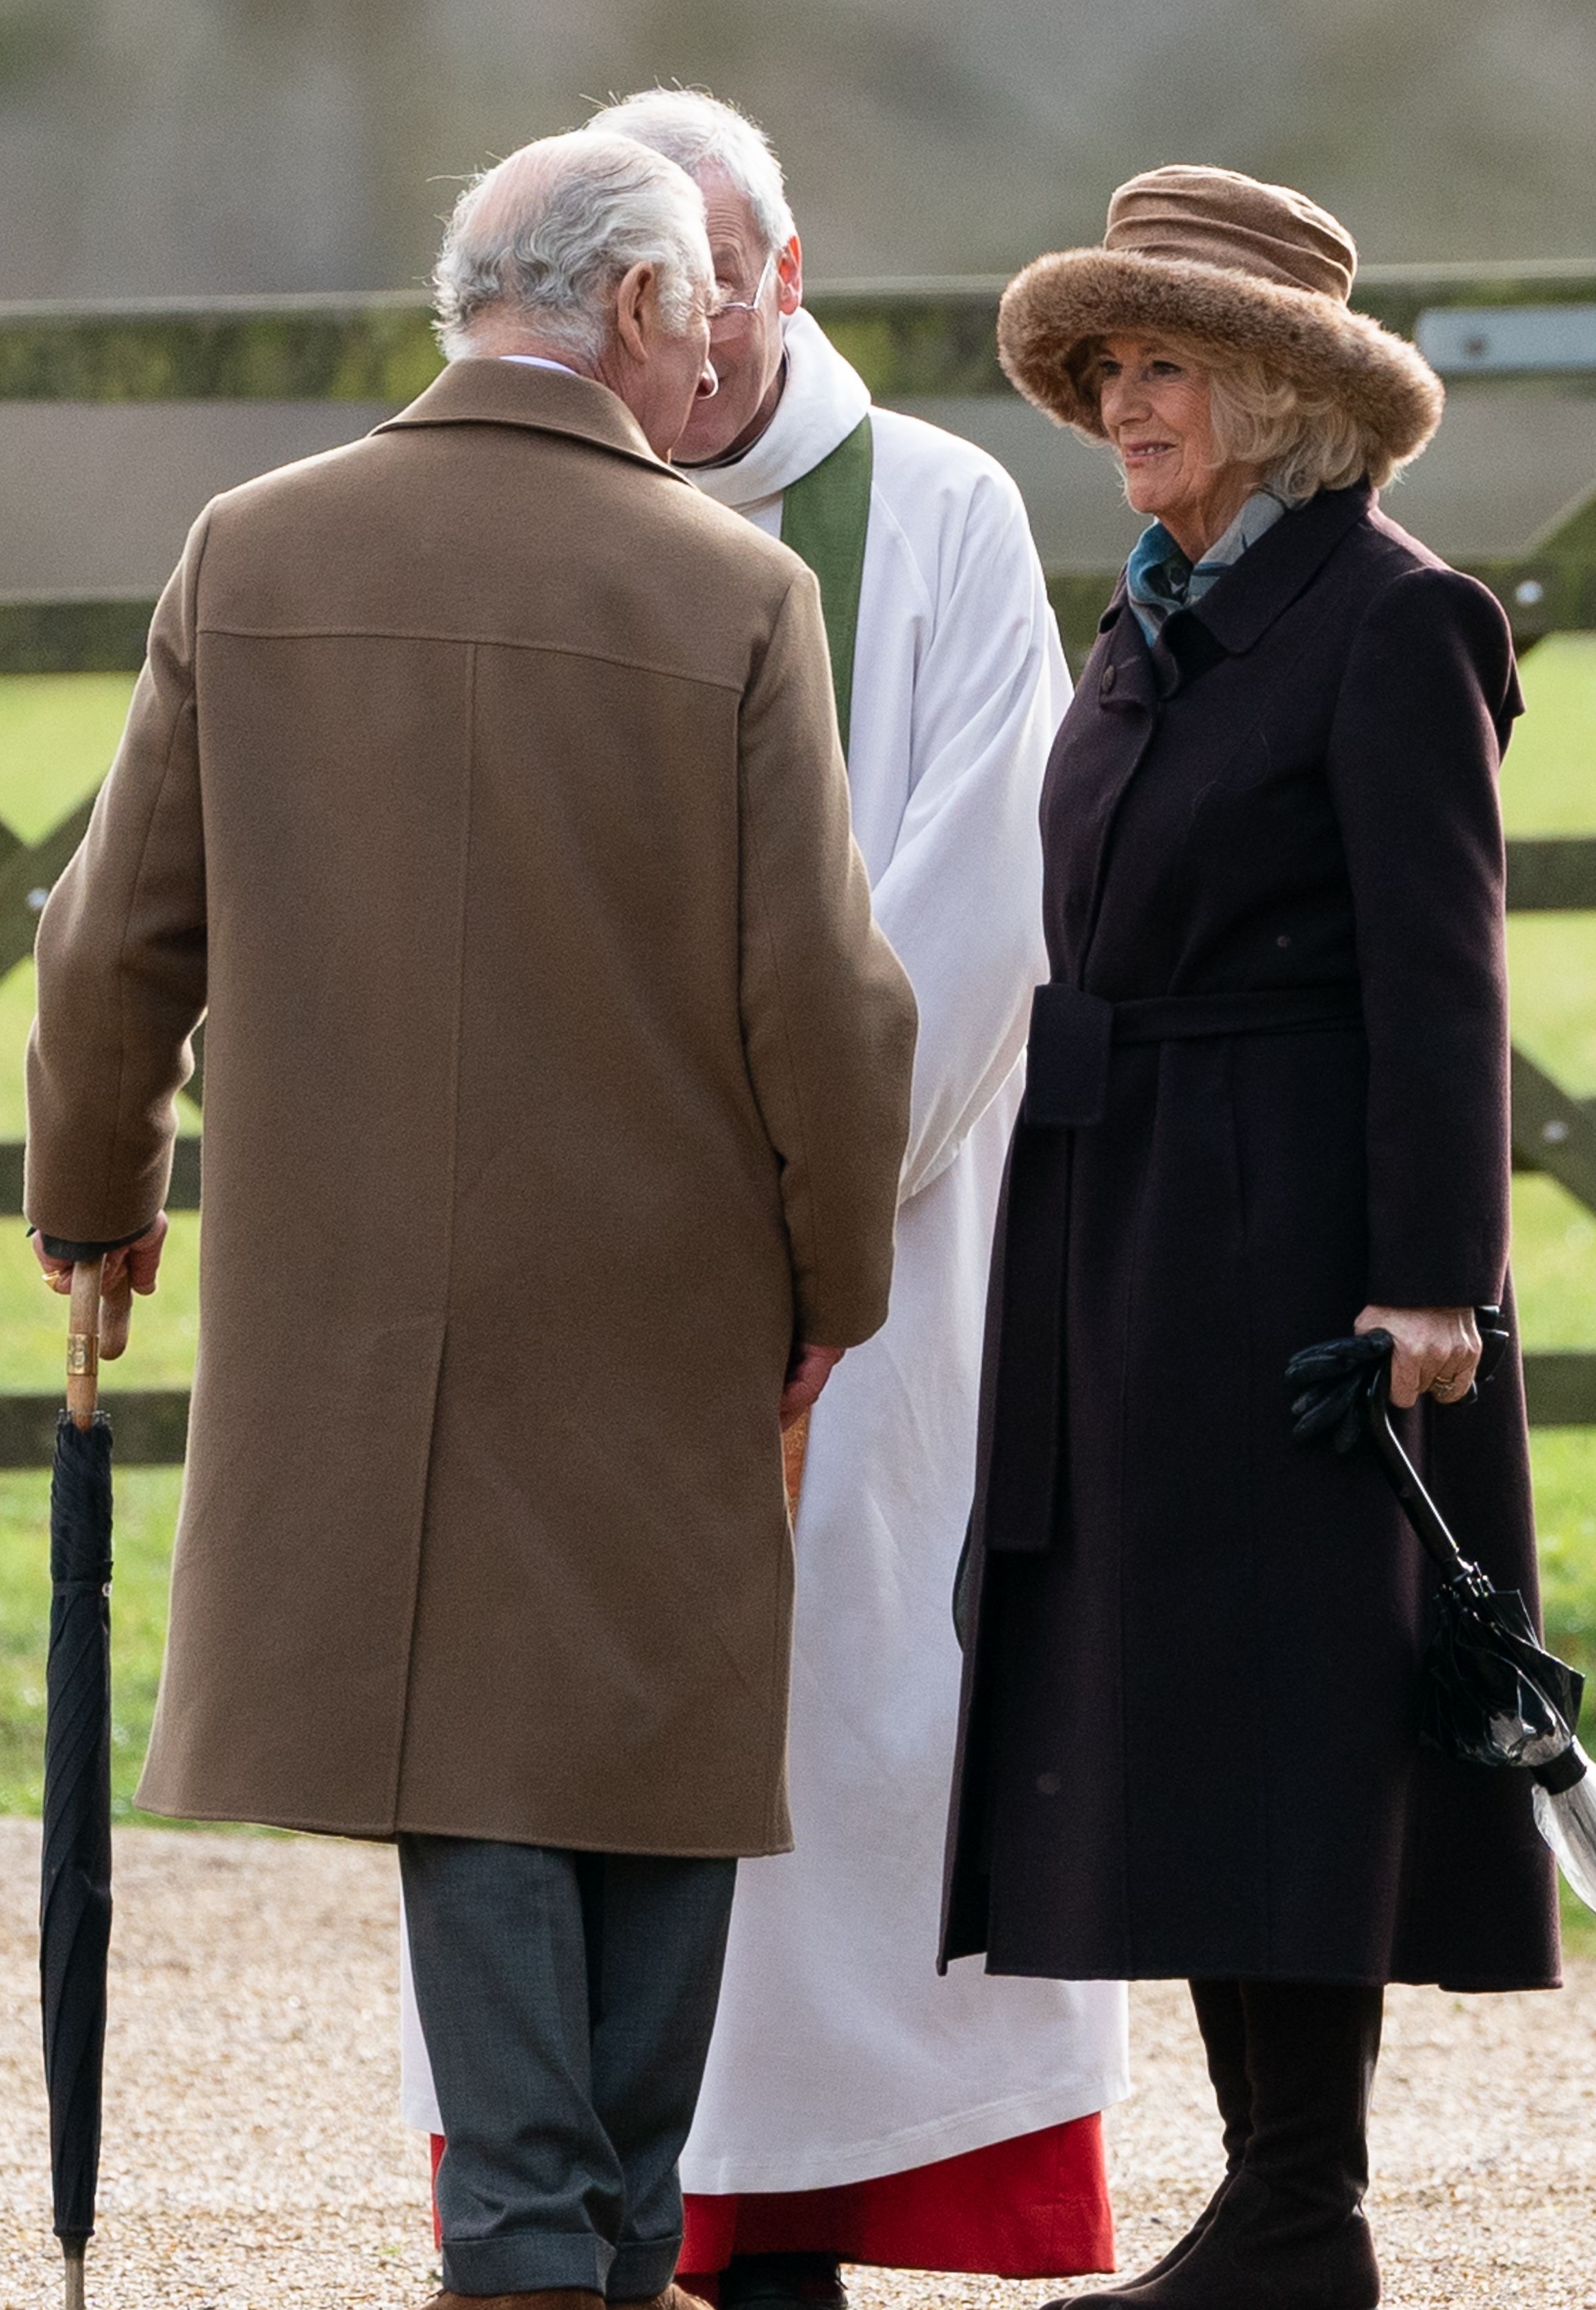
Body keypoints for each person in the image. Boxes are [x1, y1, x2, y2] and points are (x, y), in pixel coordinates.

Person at [23, 127, 917, 2310]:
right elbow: (824, 994)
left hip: (353, 1292)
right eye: (697, 311)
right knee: (647, 1731)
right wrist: (838, 1282)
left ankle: (543, 2241)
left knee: (475, 1736)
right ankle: (576, 2234)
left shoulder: (251, 551)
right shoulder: (736, 594)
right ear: (620, 308)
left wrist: (98, 1201)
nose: (716, 352)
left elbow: (109, 941)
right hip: (663, 1280)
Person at [387, 87, 1122, 2310]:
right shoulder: (493, 506)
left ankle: (803, 2215)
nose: (680, 348)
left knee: (847, 1727)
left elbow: (981, 892)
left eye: (710, 291)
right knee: (547, 1723)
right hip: (569, 1268)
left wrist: (801, 1204)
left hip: (862, 1264)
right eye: (645, 299)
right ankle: (582, 2212)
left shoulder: (944, 514)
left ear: (779, 279)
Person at [944, 166, 1556, 2310]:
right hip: (1117, 1218)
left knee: (1292, 1708)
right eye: (1109, 363)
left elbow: (1445, 974)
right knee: (1176, 1708)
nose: (1126, 399)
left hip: (1304, 1244)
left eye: (1168, 360)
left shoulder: (1397, 618)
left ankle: (1310, 2206)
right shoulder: (1153, 608)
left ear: (1285, 393)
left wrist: (1430, 1284)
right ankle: (1271, 2199)